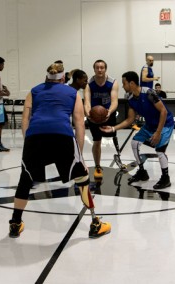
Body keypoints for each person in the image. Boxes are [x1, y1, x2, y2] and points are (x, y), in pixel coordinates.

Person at [8, 62, 111, 238]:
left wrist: (29, 142)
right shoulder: (72, 93)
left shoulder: (34, 91)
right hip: (61, 136)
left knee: (25, 181)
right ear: (63, 78)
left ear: (47, 77)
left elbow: (25, 120)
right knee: (82, 179)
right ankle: (95, 223)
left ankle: (15, 223)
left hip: (35, 137)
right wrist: (79, 155)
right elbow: (79, 123)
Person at [101, 71, 174, 189]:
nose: (123, 86)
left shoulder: (149, 93)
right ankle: (142, 172)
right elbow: (130, 120)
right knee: (134, 142)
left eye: (124, 83)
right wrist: (113, 128)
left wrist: (158, 132)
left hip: (165, 124)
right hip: (150, 125)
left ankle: (166, 178)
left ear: (132, 83)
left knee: (160, 150)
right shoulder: (130, 98)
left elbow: (163, 111)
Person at [84, 59, 119, 179]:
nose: (99, 69)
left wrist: (109, 112)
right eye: (97, 67)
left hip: (108, 113)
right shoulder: (89, 83)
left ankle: (118, 156)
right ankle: (97, 166)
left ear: (105, 69)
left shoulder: (113, 82)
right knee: (97, 140)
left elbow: (115, 101)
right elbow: (87, 102)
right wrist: (88, 113)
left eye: (102, 67)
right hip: (94, 115)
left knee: (114, 135)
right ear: (94, 69)